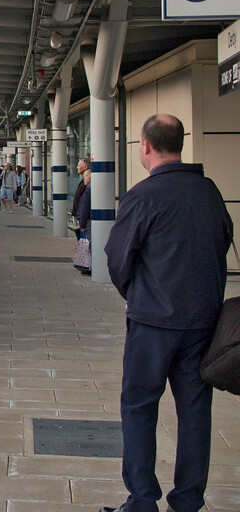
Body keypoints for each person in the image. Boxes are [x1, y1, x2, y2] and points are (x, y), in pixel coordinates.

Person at [102, 114, 233, 512]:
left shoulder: (143, 196)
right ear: (179, 142)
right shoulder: (209, 191)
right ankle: (188, 500)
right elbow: (222, 242)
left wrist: (139, 295)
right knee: (195, 411)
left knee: (139, 406)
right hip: (203, 325)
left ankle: (142, 499)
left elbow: (117, 259)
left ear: (145, 146)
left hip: (152, 324)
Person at [71, 157, 90, 240]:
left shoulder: (87, 186)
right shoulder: (83, 182)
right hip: (81, 217)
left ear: (85, 167)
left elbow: (85, 205)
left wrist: (82, 222)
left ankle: (84, 253)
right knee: (83, 241)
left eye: (79, 165)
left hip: (85, 219)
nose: (77, 167)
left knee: (86, 241)